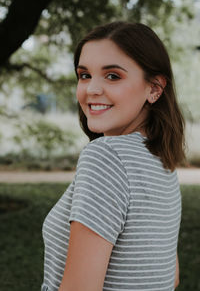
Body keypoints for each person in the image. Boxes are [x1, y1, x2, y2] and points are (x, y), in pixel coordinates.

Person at [41, 21, 185, 291]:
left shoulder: (106, 157)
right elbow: (170, 276)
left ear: (154, 88)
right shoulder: (162, 161)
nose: (91, 89)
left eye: (113, 76)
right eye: (84, 75)